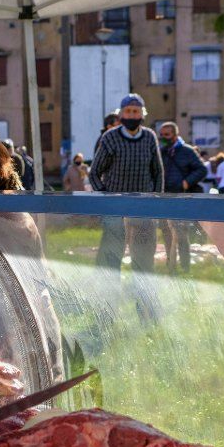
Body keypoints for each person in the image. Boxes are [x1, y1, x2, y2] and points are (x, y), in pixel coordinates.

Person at [90, 93, 164, 315]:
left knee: (143, 264)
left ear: (143, 114)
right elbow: (95, 173)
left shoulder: (150, 138)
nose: (132, 115)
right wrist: (106, 200)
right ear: (121, 114)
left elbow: (158, 172)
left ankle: (146, 311)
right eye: (128, 111)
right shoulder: (111, 138)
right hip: (115, 212)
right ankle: (107, 310)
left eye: (136, 111)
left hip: (143, 210)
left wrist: (156, 202)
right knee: (111, 262)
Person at [159, 121, 206, 273]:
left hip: (182, 196)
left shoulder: (187, 151)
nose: (164, 137)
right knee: (166, 231)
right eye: (162, 135)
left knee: (181, 234)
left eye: (167, 135)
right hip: (165, 196)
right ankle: (170, 264)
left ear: (175, 134)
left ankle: (185, 266)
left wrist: (187, 182)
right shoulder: (161, 152)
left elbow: (201, 169)